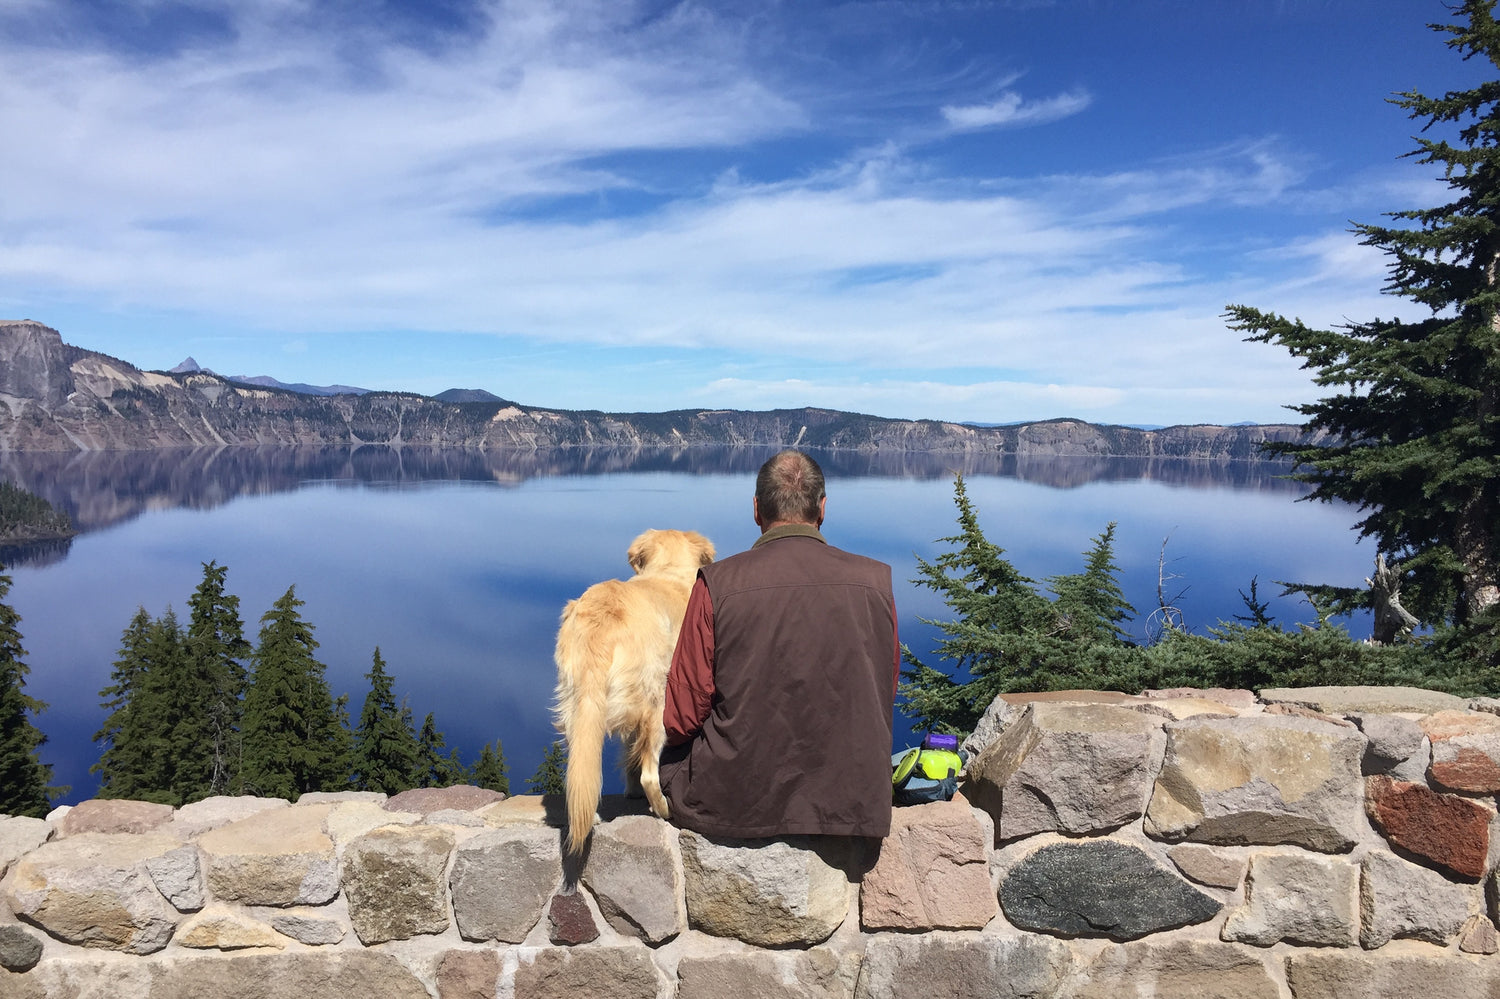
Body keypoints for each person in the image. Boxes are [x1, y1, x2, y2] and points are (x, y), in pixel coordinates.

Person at [659, 449, 899, 839]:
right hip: (852, 800)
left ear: (756, 509)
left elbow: (681, 716)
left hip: (730, 801)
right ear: (822, 508)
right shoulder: (875, 582)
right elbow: (883, 688)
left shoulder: (717, 584)